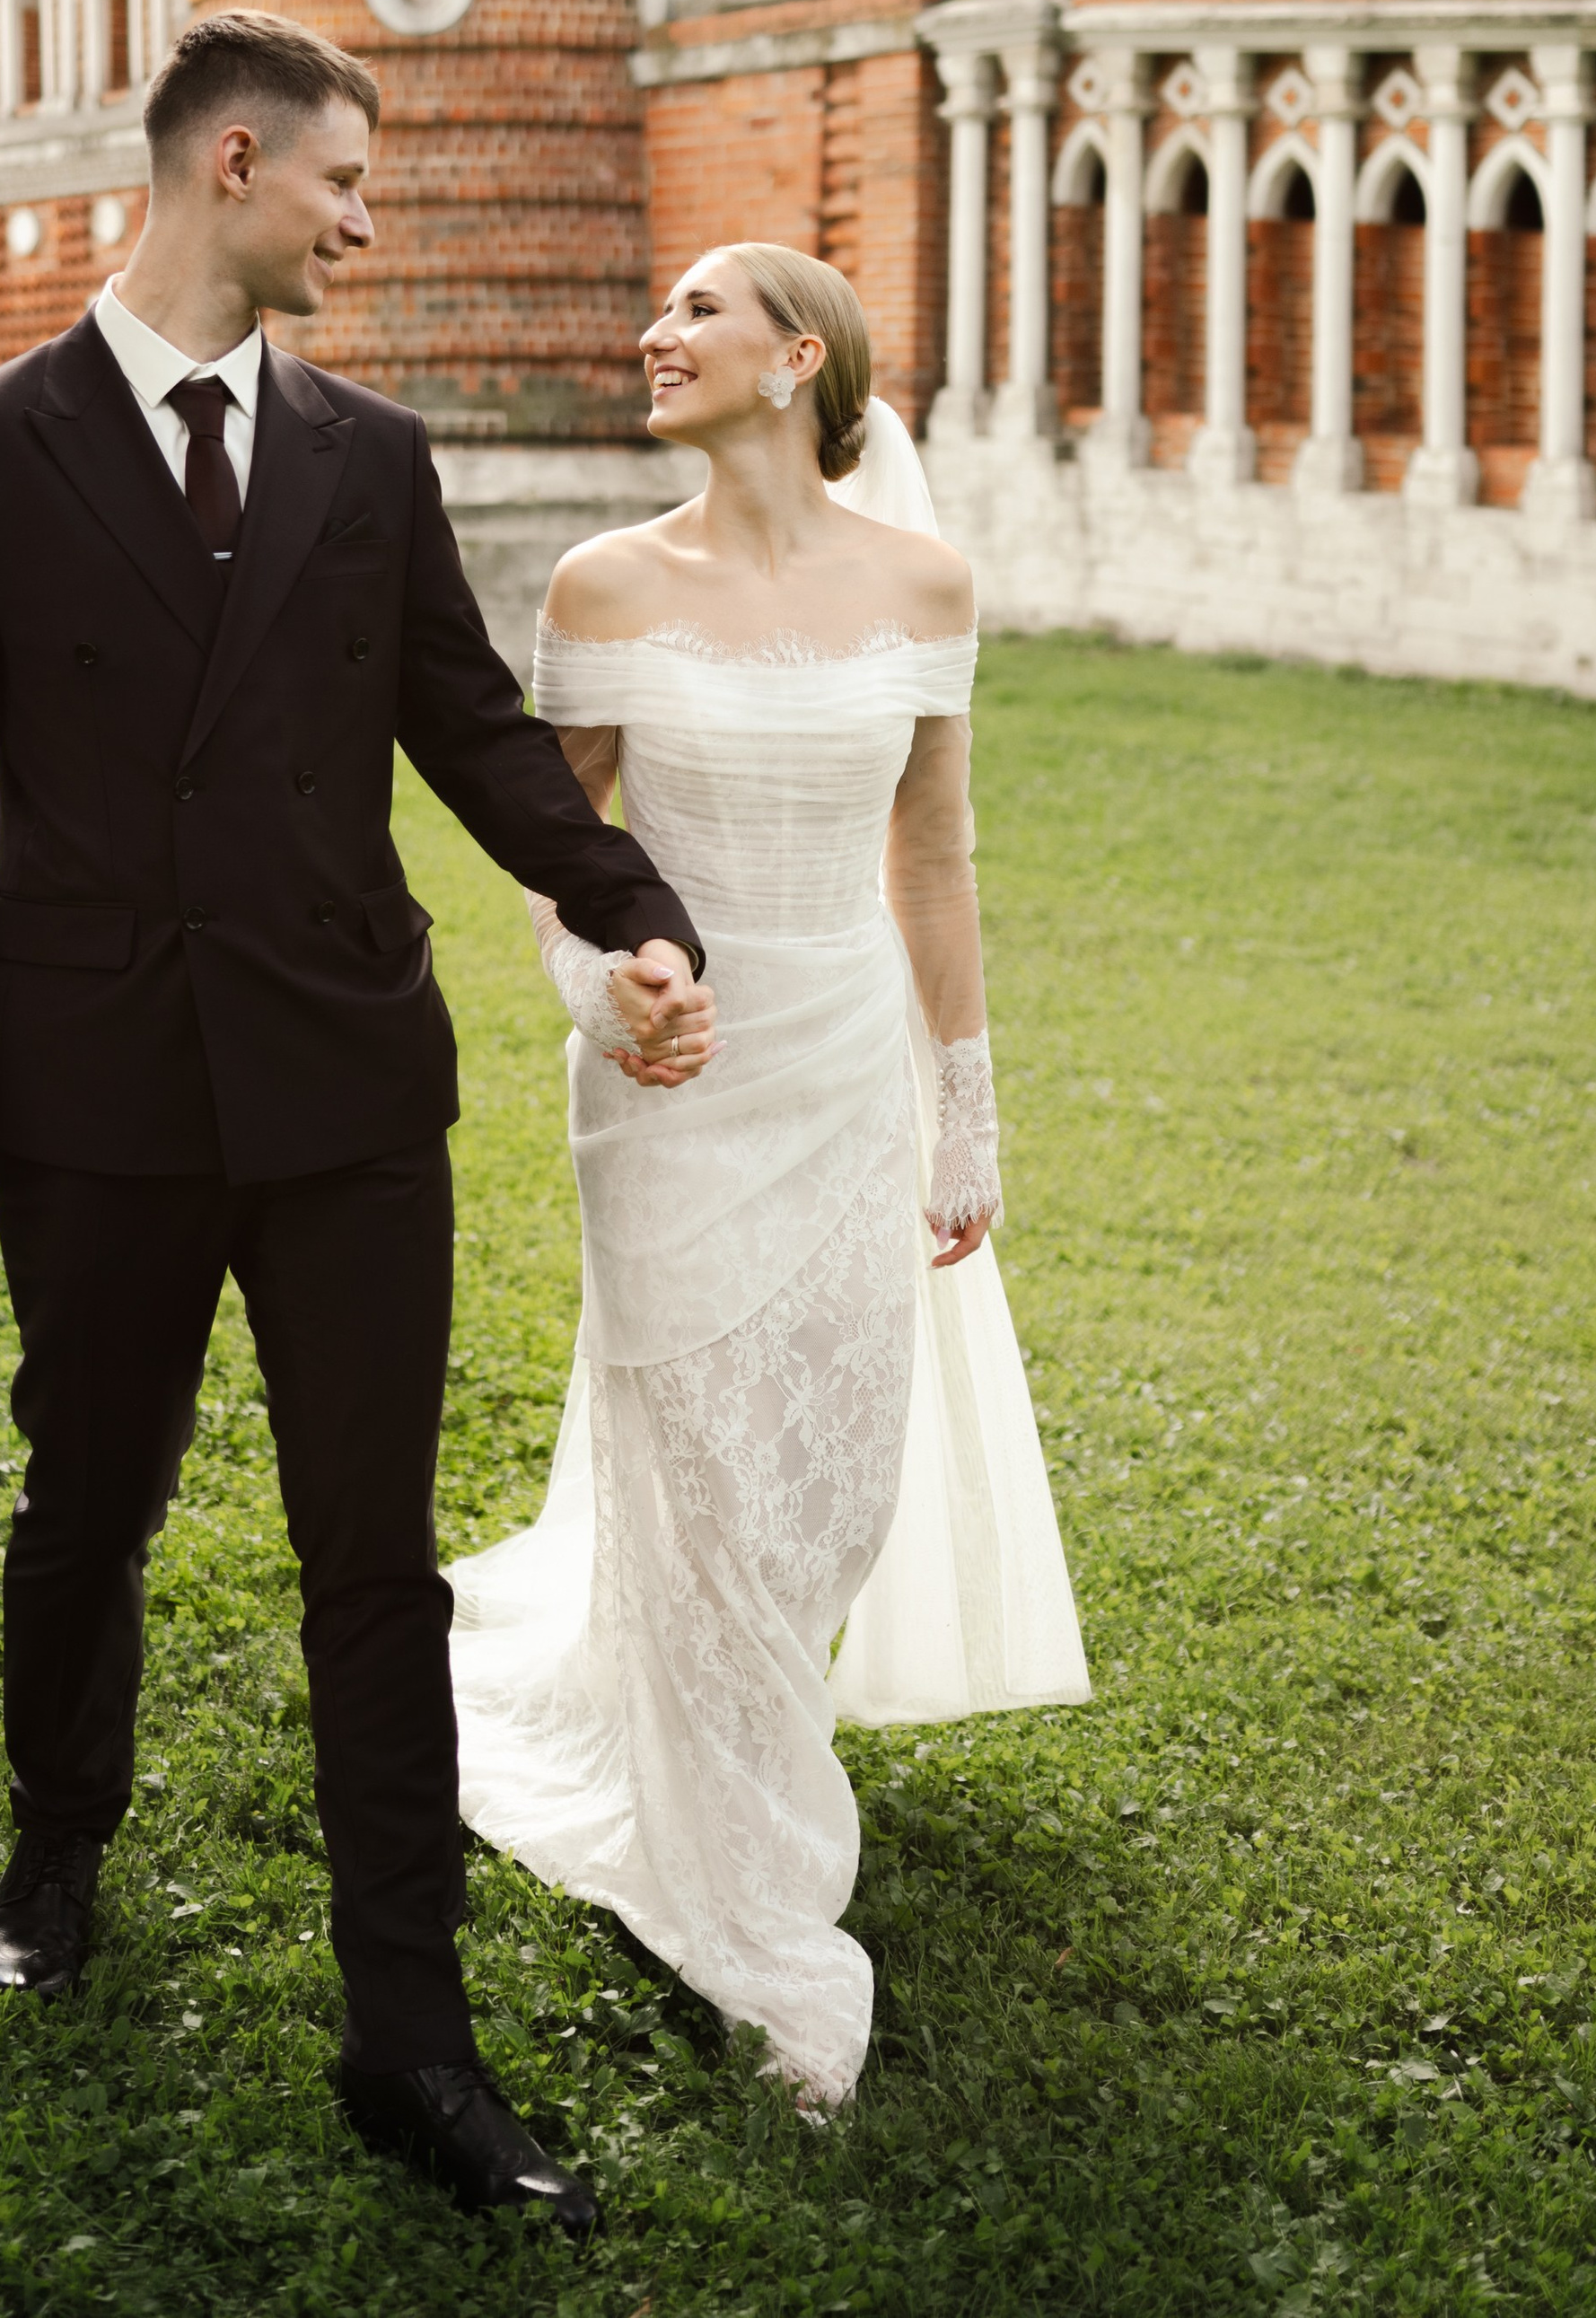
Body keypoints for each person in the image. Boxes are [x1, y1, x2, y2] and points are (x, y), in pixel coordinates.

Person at [0, 8, 716, 2236]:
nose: (363, 220)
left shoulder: (364, 453)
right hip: (101, 1084)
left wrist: (630, 907)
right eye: (339, 184)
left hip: (341, 1086)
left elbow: (468, 726)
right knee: (87, 1498)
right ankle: (55, 1847)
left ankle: (413, 2043)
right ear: (231, 164)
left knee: (369, 1563)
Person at [448, 242, 1089, 2111]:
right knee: (708, 1481)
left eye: (694, 314)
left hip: (847, 1064)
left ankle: (723, 1721)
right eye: (648, 313)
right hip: (670, 1073)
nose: (651, 335)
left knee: (821, 1475)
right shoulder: (603, 582)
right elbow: (554, 843)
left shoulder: (923, 582)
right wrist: (602, 991)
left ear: (794, 357)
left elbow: (939, 865)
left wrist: (960, 1108)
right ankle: (753, 1906)